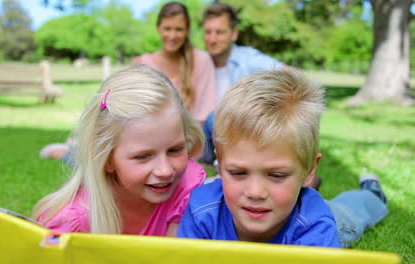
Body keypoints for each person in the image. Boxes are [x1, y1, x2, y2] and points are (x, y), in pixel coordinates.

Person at [177, 70, 388, 248]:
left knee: (351, 212)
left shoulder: (315, 226)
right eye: (238, 173)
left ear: (309, 169)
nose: (255, 192)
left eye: (276, 175)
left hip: (328, 220)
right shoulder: (202, 211)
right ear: (219, 164)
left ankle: (373, 192)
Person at [33, 65, 207, 236]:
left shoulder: (186, 187)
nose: (165, 170)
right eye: (144, 156)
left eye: (174, 150)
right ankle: (66, 151)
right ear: (108, 159)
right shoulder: (73, 221)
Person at [40, 1, 216, 164]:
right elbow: (133, 111)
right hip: (149, 136)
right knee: (114, 160)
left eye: (179, 29)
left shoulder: (201, 60)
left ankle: (74, 150)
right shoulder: (143, 63)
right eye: (167, 28)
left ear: (187, 31)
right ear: (158, 28)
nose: (172, 35)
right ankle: (70, 152)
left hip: (191, 139)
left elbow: (204, 114)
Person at [200, 3, 293, 164]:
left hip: (242, 132)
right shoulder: (200, 62)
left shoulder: (247, 58)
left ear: (234, 34)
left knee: (218, 115)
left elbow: (294, 76)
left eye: (220, 32)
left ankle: (224, 165)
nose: (212, 39)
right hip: (206, 138)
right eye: (208, 32)